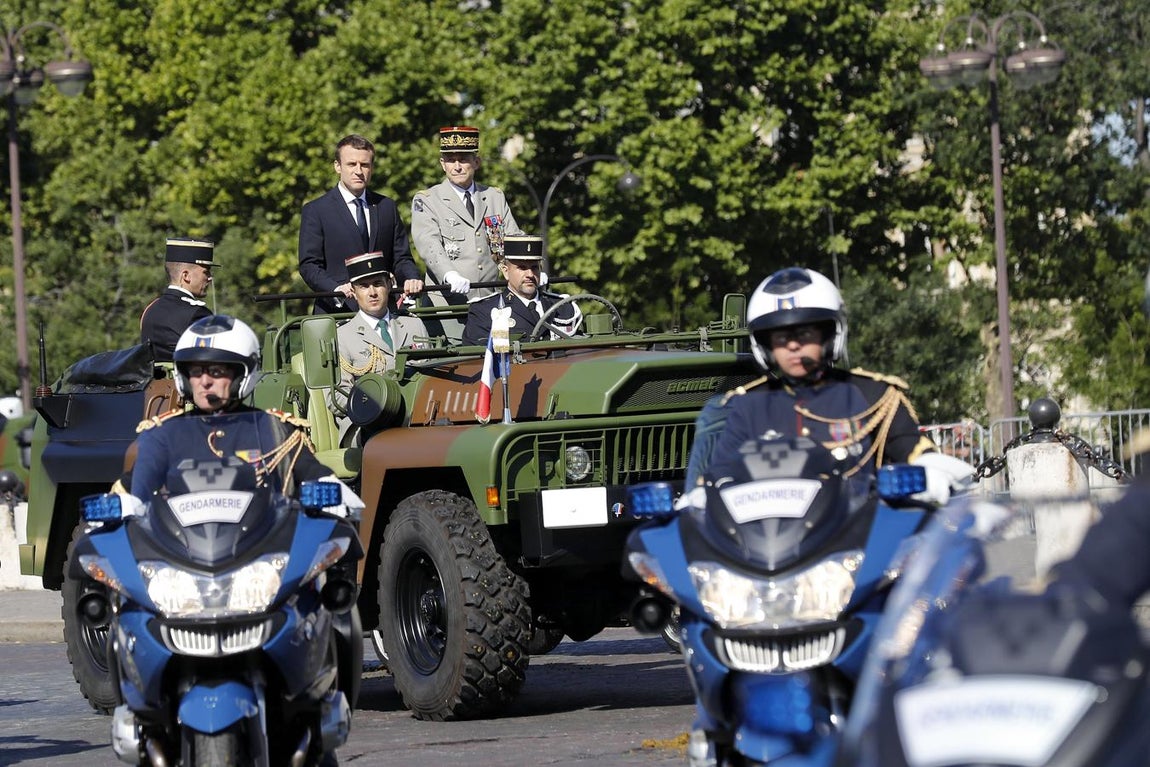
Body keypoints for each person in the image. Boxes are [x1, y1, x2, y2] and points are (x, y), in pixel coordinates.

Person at [689, 267, 952, 491]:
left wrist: (935, 470)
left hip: (859, 536)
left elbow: (914, 450)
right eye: (780, 338)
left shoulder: (874, 396)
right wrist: (701, 496)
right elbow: (717, 475)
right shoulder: (747, 406)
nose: (793, 346)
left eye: (804, 334)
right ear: (764, 345)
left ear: (830, 334)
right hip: (768, 541)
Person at [129, 315, 359, 510]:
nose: (204, 382)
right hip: (178, 551)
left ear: (243, 374)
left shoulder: (275, 431)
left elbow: (318, 478)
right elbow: (133, 492)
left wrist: (337, 501)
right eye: (196, 372)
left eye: (217, 371)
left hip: (262, 550)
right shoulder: (164, 435)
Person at [411, 126, 525, 339]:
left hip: (492, 303)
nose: (457, 166)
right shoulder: (427, 200)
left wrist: (532, 268)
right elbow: (428, 243)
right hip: (448, 306)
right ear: (442, 164)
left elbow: (513, 238)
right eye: (450, 160)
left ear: (476, 162)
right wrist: (448, 273)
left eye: (463, 159)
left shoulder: (493, 197)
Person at [298, 134, 423, 315]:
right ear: (337, 166)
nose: (358, 170)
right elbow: (309, 265)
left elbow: (401, 258)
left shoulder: (386, 206)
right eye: (351, 164)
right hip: (339, 312)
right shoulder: (316, 210)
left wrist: (411, 278)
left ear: (371, 168)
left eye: (364, 165)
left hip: (385, 312)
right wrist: (335, 290)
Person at [331, 252, 428, 443]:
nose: (372, 292)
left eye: (377, 283)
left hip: (416, 420)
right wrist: (379, 406)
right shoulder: (343, 336)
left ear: (389, 284)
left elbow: (430, 375)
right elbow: (336, 398)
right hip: (368, 426)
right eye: (364, 286)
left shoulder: (413, 325)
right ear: (353, 291)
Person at [461, 235, 580, 346]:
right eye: (522, 268)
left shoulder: (562, 307)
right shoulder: (485, 311)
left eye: (534, 267)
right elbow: (478, 359)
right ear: (506, 271)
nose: (530, 274)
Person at [139, 237, 215, 362]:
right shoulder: (197, 314)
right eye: (206, 272)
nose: (210, 278)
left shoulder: (149, 310)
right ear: (186, 276)